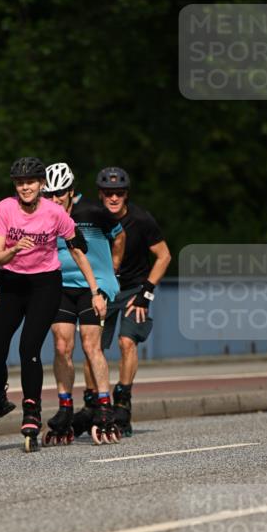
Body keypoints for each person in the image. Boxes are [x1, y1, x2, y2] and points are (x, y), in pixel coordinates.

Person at [0, 157, 106, 452]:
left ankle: (32, 411)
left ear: (41, 184)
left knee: (28, 347)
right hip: (12, 284)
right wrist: (15, 248)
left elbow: (78, 252)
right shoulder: (5, 209)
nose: (25, 187)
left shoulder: (55, 213)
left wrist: (95, 290)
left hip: (45, 286)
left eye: (30, 182)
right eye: (20, 183)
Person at [43, 161, 125, 444]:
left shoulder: (93, 211)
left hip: (94, 288)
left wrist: (112, 270)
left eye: (60, 193)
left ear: (71, 191)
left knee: (91, 345)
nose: (55, 199)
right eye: (49, 194)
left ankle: (104, 407)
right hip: (61, 287)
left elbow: (120, 236)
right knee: (61, 346)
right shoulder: (44, 215)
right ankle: (65, 407)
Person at [97, 166, 171, 435]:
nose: (113, 198)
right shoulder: (93, 219)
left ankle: (123, 400)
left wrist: (145, 294)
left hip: (134, 290)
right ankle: (95, 402)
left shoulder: (141, 219)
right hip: (103, 291)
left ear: (126, 194)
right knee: (94, 347)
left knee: (127, 342)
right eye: (108, 193)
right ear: (100, 194)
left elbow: (164, 256)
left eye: (119, 193)